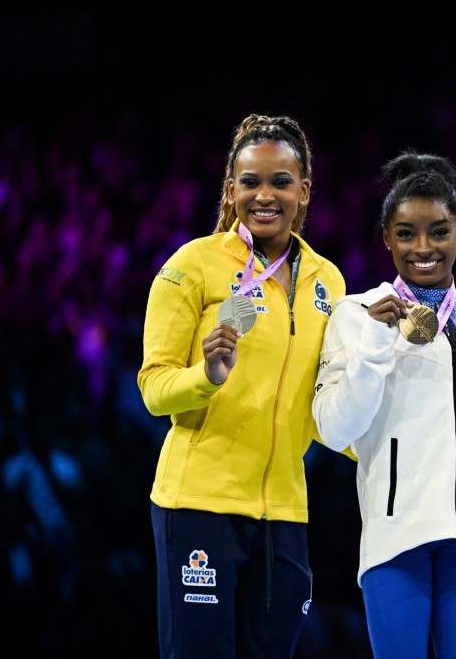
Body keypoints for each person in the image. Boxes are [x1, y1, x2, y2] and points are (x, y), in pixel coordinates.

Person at [312, 152, 456, 659]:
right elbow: (334, 430)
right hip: (395, 541)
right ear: (386, 238)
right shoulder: (355, 316)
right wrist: (377, 344)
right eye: (406, 234)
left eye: (439, 232)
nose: (424, 248)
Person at [138, 114, 345, 659]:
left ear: (304, 190)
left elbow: (323, 404)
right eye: (250, 181)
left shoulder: (328, 281)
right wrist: (206, 377)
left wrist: (392, 445)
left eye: (281, 181)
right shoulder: (193, 265)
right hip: (199, 503)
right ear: (231, 190)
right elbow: (154, 387)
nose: (265, 195)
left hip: (285, 513)